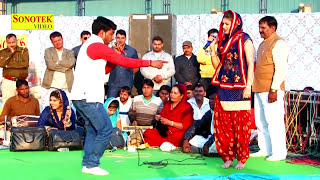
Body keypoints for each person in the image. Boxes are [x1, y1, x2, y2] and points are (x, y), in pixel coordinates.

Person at [70, 16, 165, 176]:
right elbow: (125, 62)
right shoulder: (97, 45)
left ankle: (87, 164)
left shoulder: (91, 46)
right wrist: (150, 63)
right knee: (106, 129)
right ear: (102, 32)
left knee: (94, 130)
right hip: (89, 97)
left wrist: (115, 56)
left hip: (81, 96)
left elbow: (106, 69)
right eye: (111, 33)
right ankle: (92, 164)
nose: (113, 37)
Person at [209, 10, 254, 169]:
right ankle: (227, 157)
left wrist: (248, 86)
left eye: (227, 24)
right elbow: (218, 68)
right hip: (223, 88)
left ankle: (241, 158)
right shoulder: (223, 42)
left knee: (240, 127)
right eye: (223, 23)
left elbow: (250, 64)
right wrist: (213, 51)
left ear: (235, 23)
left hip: (240, 88)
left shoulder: (245, 39)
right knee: (223, 126)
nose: (224, 26)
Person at [251, 16, 289, 161]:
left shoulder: (279, 43)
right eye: (259, 27)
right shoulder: (262, 44)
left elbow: (281, 69)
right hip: (259, 88)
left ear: (273, 28)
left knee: (274, 121)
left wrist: (274, 90)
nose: (260, 30)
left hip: (271, 90)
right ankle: (265, 149)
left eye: (263, 28)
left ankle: (279, 152)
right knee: (261, 121)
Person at [144, 84, 194, 151]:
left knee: (178, 136)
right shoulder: (168, 103)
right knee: (148, 133)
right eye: (171, 92)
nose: (172, 95)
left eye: (175, 93)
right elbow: (163, 117)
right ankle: (166, 144)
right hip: (165, 132)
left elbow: (185, 126)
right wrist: (158, 118)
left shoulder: (187, 107)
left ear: (181, 96)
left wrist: (170, 123)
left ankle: (167, 144)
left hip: (178, 132)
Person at [41, 31, 76, 98]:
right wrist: (65, 68)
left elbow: (71, 63)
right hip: (53, 84)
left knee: (67, 105)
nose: (58, 43)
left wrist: (57, 62)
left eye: (59, 40)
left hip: (67, 84)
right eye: (55, 41)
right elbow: (50, 65)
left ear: (62, 39)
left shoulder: (70, 52)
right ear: (52, 42)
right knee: (52, 105)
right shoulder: (48, 51)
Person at [183, 92, 217, 156]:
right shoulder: (210, 112)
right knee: (193, 140)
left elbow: (219, 133)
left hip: (221, 139)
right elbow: (197, 124)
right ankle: (206, 150)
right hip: (212, 138)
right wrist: (186, 139)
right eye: (210, 99)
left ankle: (207, 150)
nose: (210, 101)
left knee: (217, 145)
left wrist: (207, 144)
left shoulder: (224, 114)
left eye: (213, 99)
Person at [107, 29, 139, 98]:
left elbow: (136, 66)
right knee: (110, 103)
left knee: (125, 106)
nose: (120, 40)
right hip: (113, 83)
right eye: (118, 38)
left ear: (125, 39)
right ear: (115, 38)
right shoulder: (110, 50)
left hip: (126, 83)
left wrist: (129, 74)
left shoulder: (132, 51)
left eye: (122, 38)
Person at [0, 33, 29, 106]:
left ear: (17, 41)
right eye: (9, 43)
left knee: (22, 104)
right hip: (8, 81)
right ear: (6, 42)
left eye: (13, 42)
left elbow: (25, 64)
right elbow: (1, 64)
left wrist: (8, 65)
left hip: (21, 81)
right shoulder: (3, 52)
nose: (11, 44)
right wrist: (11, 53)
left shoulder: (23, 51)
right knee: (7, 105)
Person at [197, 28, 219, 97]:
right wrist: (212, 59)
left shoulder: (220, 48)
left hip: (216, 77)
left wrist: (206, 61)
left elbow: (219, 61)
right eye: (211, 36)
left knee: (215, 97)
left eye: (214, 36)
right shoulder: (204, 48)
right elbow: (199, 59)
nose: (213, 38)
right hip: (204, 78)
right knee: (203, 97)